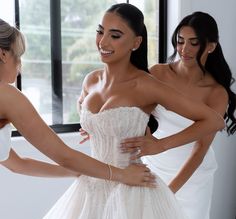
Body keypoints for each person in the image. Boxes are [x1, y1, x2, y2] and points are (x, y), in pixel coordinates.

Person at [0, 4, 231, 219]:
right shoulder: (91, 80)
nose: (103, 42)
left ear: (136, 42)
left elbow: (212, 120)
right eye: (100, 32)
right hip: (91, 183)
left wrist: (159, 145)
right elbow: (51, 147)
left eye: (115, 35)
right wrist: (94, 126)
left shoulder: (147, 84)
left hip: (131, 187)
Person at [121, 11, 236, 219]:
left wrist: (171, 191)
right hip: (155, 164)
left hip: (193, 176)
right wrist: (100, 125)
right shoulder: (159, 73)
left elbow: (201, 148)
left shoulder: (216, 92)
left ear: (211, 46)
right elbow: (135, 111)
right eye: (180, 40)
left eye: (194, 43)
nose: (184, 49)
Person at [0, 18, 157, 186]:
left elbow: (17, 165)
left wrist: (78, 171)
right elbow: (63, 155)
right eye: (18, 56)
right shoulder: (6, 95)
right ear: (3, 54)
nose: (20, 65)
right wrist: (123, 175)